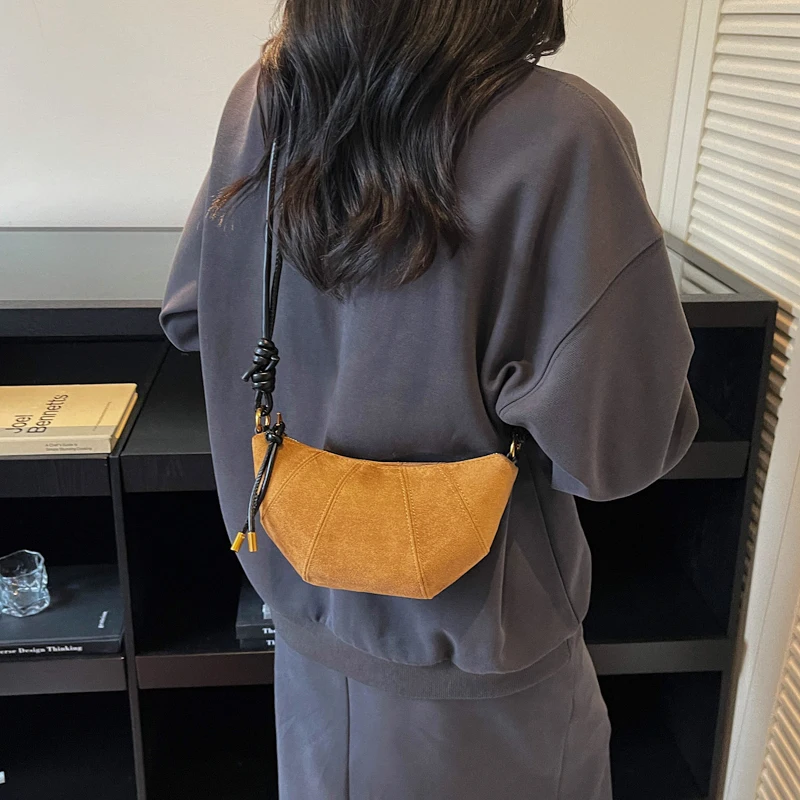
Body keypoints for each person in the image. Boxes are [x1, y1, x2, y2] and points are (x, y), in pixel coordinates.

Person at [158, 1, 699, 797]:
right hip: (483, 682)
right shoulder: (563, 131)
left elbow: (191, 315)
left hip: (308, 645)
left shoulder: (265, 96)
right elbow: (617, 452)